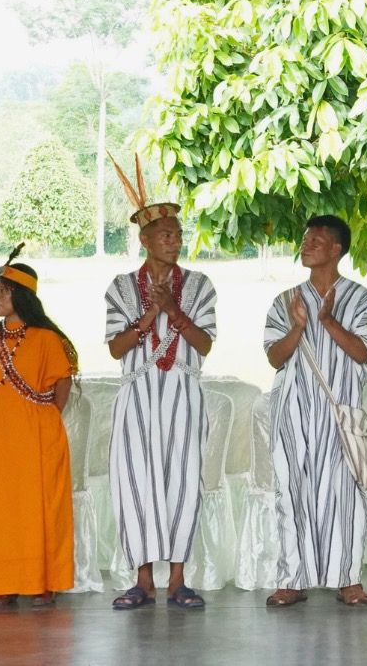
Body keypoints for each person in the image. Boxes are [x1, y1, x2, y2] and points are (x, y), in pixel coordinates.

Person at [104, 162, 216, 611]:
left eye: (178, 234)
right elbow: (116, 348)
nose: (174, 241)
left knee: (183, 481)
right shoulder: (120, 287)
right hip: (136, 397)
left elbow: (204, 345)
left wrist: (177, 310)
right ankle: (142, 580)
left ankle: (179, 581)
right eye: (165, 235)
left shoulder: (201, 285)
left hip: (183, 396)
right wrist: (152, 313)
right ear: (144, 241)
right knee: (136, 482)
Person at [263, 216, 367, 608]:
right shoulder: (285, 300)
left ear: (336, 250)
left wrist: (326, 320)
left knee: (344, 493)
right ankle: (292, 579)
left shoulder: (361, 298)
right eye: (305, 238)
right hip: (293, 411)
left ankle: (348, 578)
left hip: (339, 411)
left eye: (317, 240)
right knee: (292, 492)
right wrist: (297, 328)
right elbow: (275, 358)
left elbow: (363, 351)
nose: (306, 244)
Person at [0, 259, 79, 609]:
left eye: (2, 290)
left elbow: (62, 382)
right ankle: (3, 583)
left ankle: (41, 582)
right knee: (0, 512)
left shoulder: (46, 339)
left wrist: (47, 417)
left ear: (21, 296)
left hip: (38, 440)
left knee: (39, 510)